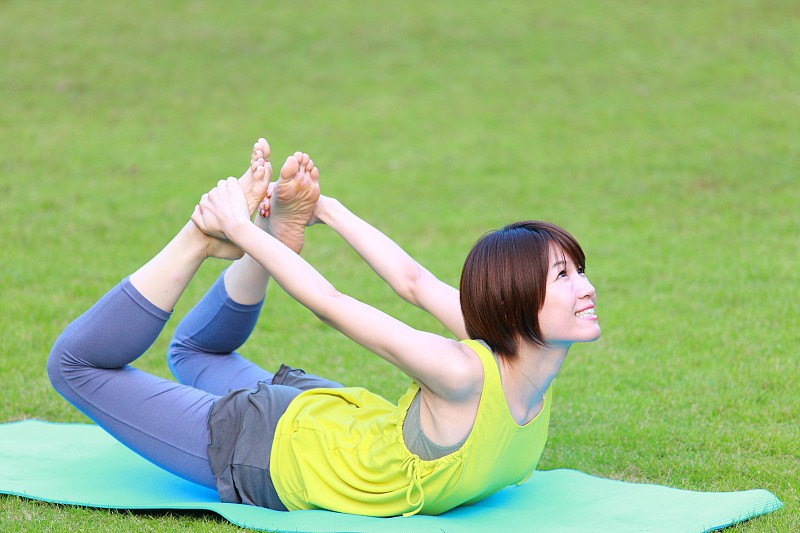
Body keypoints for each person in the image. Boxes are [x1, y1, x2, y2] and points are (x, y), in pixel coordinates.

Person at [48, 138, 600, 517]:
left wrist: (326, 210)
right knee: (73, 366)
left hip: (326, 418)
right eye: (562, 275)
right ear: (519, 303)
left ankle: (256, 249)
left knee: (195, 354)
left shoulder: (516, 353)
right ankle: (202, 238)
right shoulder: (464, 372)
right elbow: (332, 302)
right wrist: (245, 228)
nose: (585, 287)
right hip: (262, 449)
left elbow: (412, 281)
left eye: (578, 270)